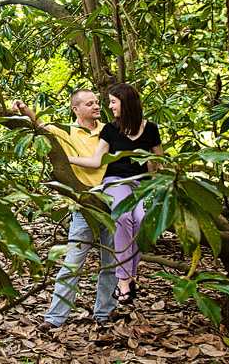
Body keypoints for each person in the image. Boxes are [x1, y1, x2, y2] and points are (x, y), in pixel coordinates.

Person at [11, 90, 117, 331]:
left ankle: (104, 314)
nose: (96, 107)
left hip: (111, 203)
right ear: (76, 109)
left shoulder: (110, 130)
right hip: (83, 205)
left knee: (110, 263)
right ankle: (55, 318)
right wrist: (24, 109)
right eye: (89, 104)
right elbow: (40, 126)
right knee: (72, 263)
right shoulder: (66, 131)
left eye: (97, 103)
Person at [68, 83, 163, 304]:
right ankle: (124, 279)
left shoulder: (151, 129)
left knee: (141, 219)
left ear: (126, 102)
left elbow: (160, 163)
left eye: (113, 102)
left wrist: (166, 185)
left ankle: (128, 277)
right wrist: (65, 160)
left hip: (142, 184)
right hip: (116, 181)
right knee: (122, 217)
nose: (109, 107)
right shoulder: (110, 129)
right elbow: (95, 162)